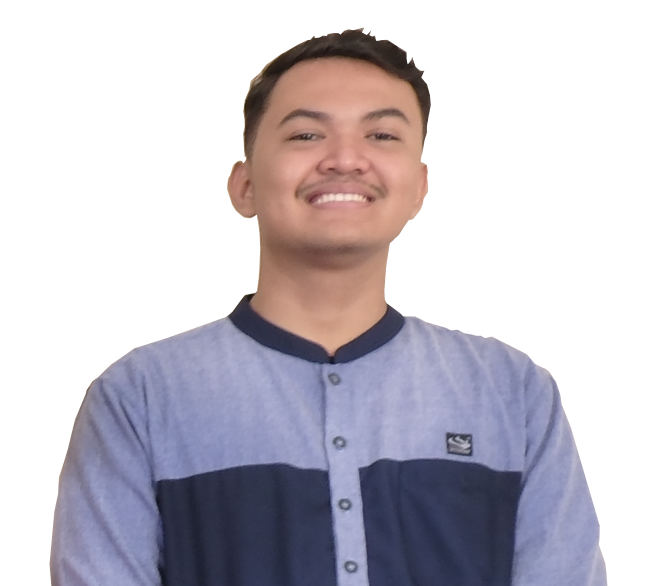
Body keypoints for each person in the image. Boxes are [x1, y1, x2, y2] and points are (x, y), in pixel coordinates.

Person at [51, 28, 607, 586]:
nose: (345, 159)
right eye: (306, 134)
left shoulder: (513, 393)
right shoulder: (140, 397)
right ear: (244, 185)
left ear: (420, 187)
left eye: (382, 135)